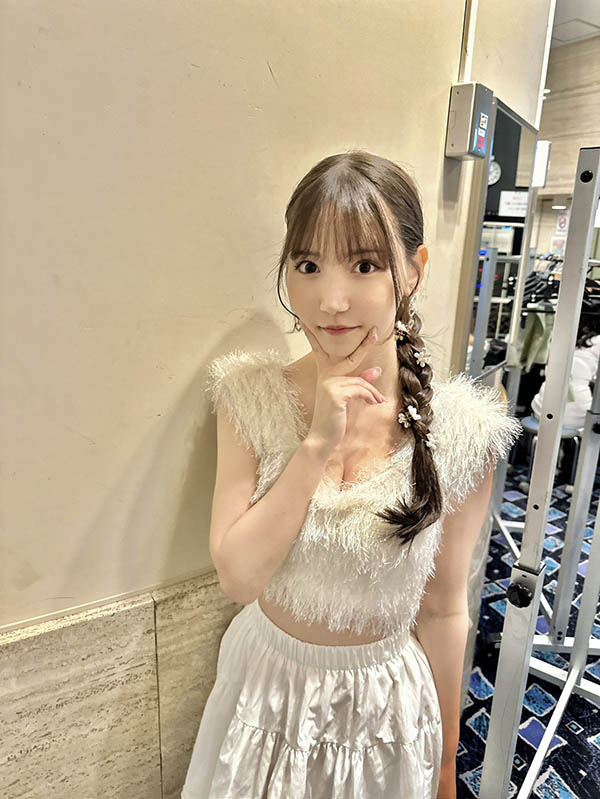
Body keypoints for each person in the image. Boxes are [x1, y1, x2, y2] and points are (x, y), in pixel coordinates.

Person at [181, 150, 522, 799]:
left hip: (382, 708)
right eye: (308, 265)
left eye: (365, 265)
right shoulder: (249, 397)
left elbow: (444, 607)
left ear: (413, 271)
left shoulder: (463, 432)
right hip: (264, 690)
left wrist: (447, 764)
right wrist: (315, 447)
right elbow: (238, 577)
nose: (331, 300)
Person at [530, 310, 600, 482]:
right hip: (578, 412)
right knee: (589, 422)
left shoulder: (561, 333)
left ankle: (545, 467)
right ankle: (574, 476)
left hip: (543, 405)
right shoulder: (598, 341)